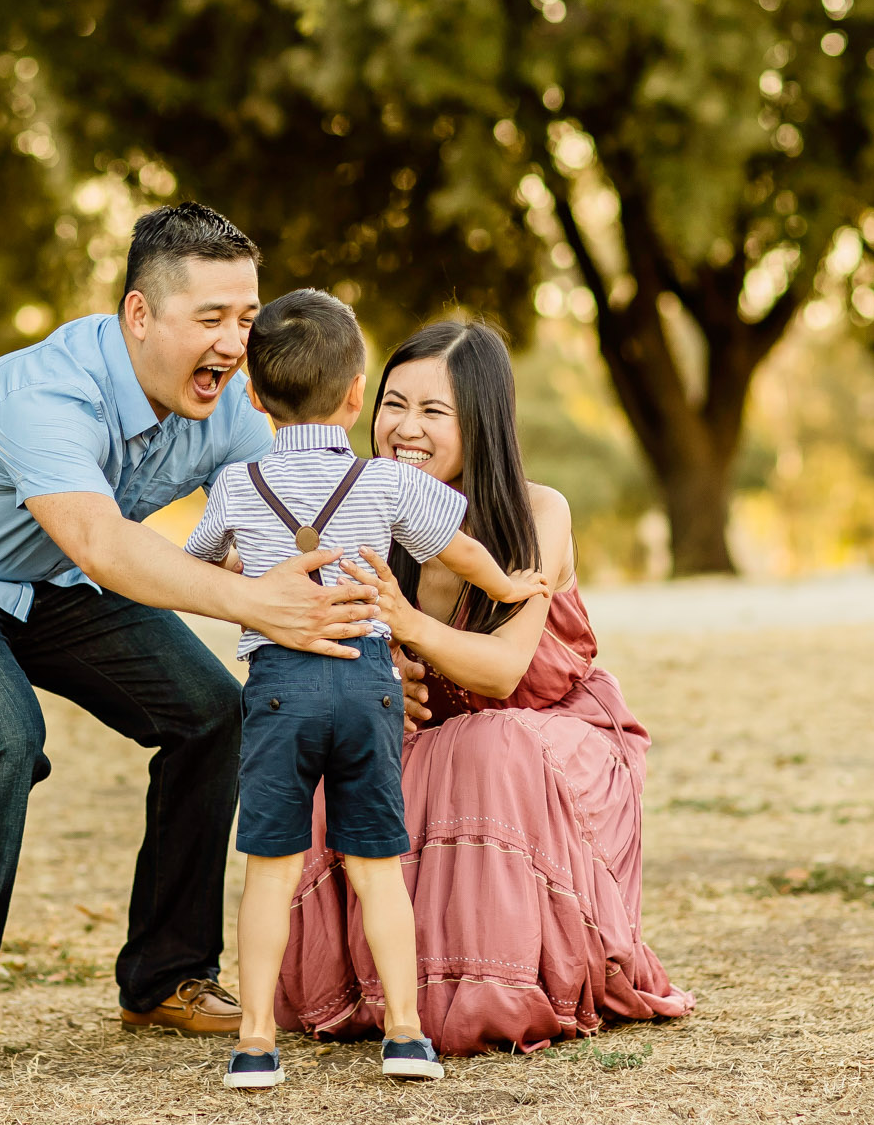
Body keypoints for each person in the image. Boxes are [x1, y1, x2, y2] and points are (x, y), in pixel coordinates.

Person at [0, 204, 390, 1076]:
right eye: (210, 319)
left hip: (44, 574)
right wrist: (254, 604)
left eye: (245, 318)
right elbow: (100, 542)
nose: (236, 344)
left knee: (211, 712)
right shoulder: (45, 391)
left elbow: (282, 531)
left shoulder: (227, 410)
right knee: (2, 738)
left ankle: (166, 976)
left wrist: (374, 649)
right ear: (139, 314)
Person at [276, 319, 695, 1055]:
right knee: (335, 752)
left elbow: (504, 670)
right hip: (437, 742)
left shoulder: (540, 512)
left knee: (490, 744)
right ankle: (385, 989)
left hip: (552, 745)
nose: (404, 429)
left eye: (433, 412)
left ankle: (493, 985)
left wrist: (408, 623)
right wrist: (380, 681)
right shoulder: (364, 510)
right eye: (393, 404)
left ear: (482, 423)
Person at [181, 290, 546, 1090]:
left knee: (271, 868)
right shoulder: (385, 483)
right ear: (356, 395)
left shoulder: (238, 484)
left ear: (251, 393)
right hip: (369, 686)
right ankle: (408, 1035)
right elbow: (464, 548)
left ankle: (252, 1044)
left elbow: (198, 564)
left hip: (278, 688)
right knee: (378, 866)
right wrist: (512, 585)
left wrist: (251, 571)